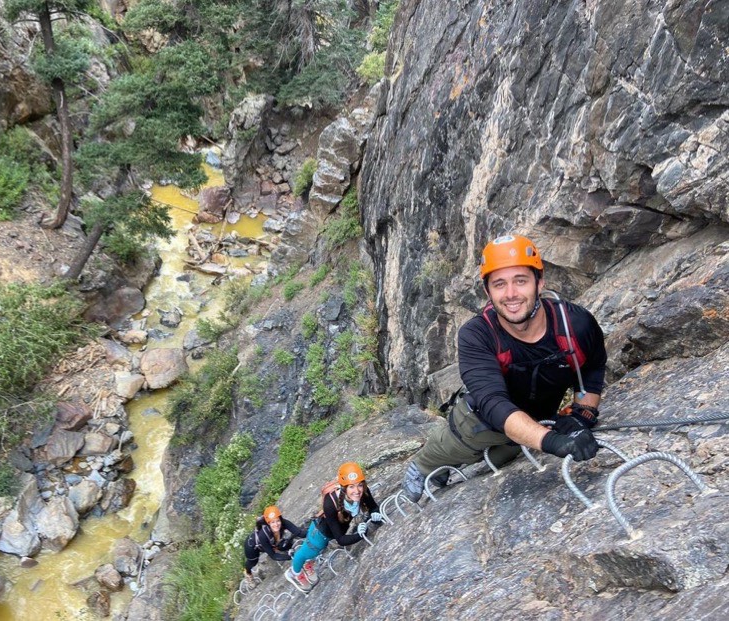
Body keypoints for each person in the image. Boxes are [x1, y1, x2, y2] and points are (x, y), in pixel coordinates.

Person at [402, 234, 608, 502]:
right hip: (478, 420)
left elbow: (592, 368)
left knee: (500, 459)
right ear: (488, 292)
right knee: (455, 449)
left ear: (539, 282)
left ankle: (455, 466)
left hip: (532, 423)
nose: (511, 294)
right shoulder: (478, 335)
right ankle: (424, 468)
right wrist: (552, 441)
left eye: (520, 280)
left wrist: (583, 413)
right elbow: (493, 402)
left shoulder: (575, 325)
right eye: (499, 284)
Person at [285, 462, 384, 593]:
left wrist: (375, 515)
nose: (357, 491)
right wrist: (359, 534)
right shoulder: (330, 503)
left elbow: (373, 507)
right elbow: (341, 540)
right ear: (344, 488)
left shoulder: (363, 491)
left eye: (360, 485)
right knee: (306, 553)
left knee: (311, 553)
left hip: (337, 528)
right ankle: (294, 573)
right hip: (320, 534)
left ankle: (308, 563)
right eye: (351, 487)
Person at [243, 505, 306, 584]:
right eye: (273, 522)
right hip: (253, 546)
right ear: (268, 523)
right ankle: (248, 573)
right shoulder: (263, 535)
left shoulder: (284, 523)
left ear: (280, 519)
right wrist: (291, 556)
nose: (276, 524)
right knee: (252, 562)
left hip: (269, 542)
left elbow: (299, 533)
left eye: (277, 521)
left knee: (285, 545)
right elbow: (273, 556)